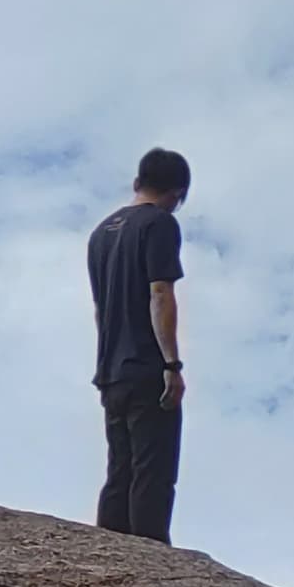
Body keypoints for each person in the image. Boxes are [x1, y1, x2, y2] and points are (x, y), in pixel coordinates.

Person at [89, 148, 190, 540]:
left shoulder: (100, 234)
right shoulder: (159, 224)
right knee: (153, 470)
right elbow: (160, 292)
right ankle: (150, 561)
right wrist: (172, 365)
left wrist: (107, 359)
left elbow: (100, 309)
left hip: (111, 370)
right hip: (147, 367)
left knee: (120, 470)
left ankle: (106, 555)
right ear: (178, 193)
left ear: (137, 183)